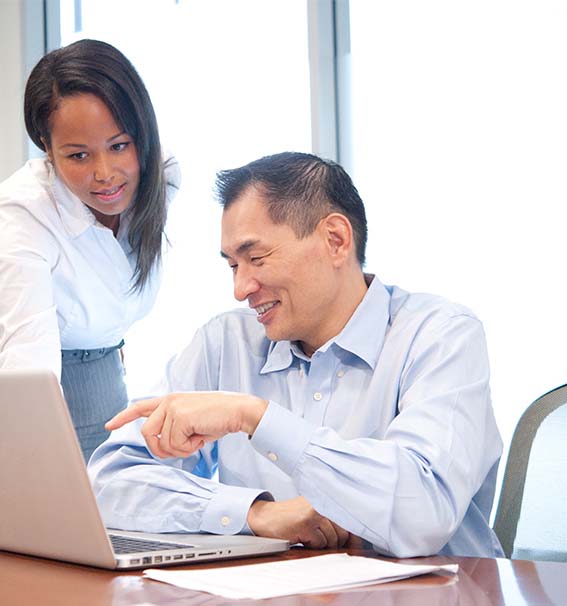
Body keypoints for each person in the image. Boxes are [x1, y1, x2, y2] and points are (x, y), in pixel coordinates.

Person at [88, 152, 504, 558]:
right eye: (233, 265)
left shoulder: (441, 335)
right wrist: (257, 513)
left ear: (336, 240)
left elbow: (423, 513)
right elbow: (111, 481)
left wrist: (254, 418)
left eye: (256, 258)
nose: (241, 288)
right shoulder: (224, 342)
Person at [0, 39, 179, 542]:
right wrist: (18, 500)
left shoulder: (162, 177)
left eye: (119, 145)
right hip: (19, 393)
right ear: (48, 149)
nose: (105, 173)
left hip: (104, 378)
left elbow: (107, 298)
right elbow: (30, 365)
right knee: (43, 552)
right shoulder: (21, 214)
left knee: (114, 548)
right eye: (78, 155)